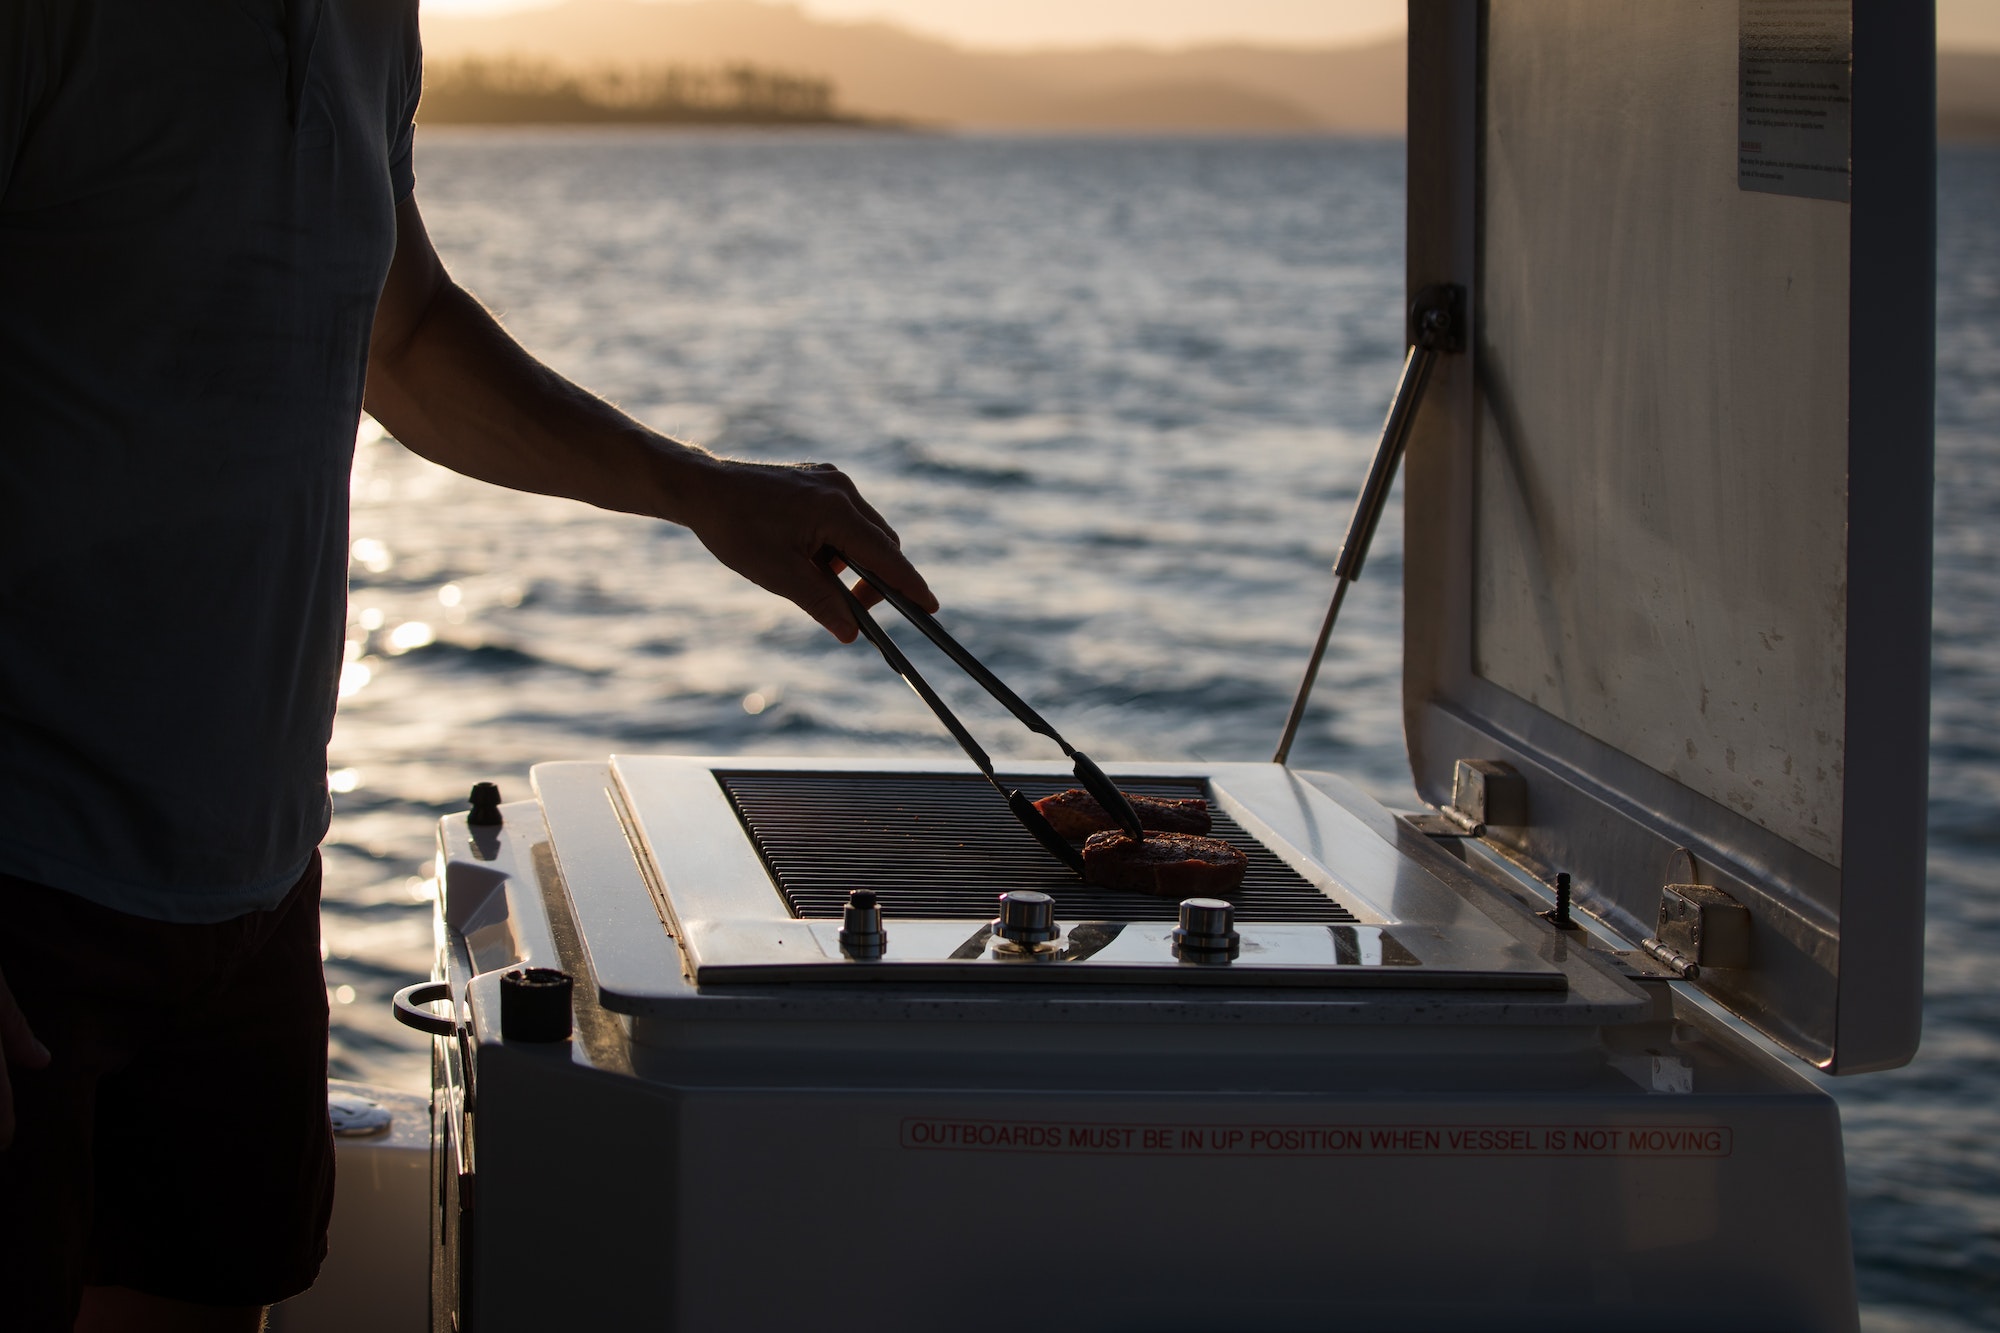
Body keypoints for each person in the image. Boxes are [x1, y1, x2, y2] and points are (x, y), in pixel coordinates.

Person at [0, 3, 934, 1328]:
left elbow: (408, 332)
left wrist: (702, 490)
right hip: (27, 882)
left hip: (252, 881)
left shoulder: (368, 18)